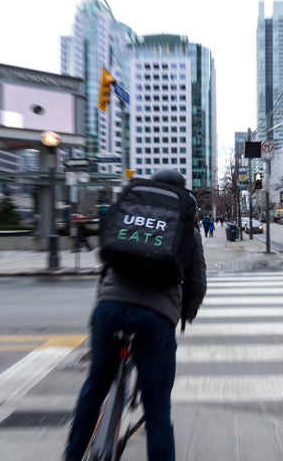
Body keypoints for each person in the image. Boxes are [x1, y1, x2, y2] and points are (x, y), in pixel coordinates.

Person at [65, 169, 207, 461]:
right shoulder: (187, 228)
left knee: (94, 387)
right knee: (157, 410)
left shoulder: (131, 211)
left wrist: (100, 310)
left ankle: (72, 455)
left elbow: (107, 262)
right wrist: (185, 314)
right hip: (156, 319)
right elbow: (197, 283)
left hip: (110, 308)